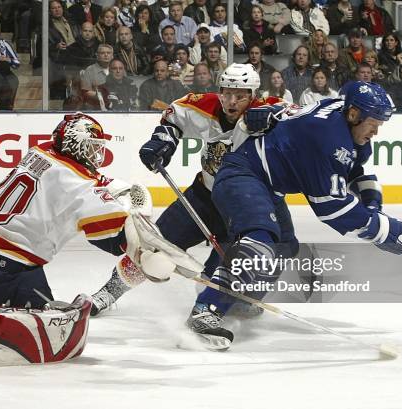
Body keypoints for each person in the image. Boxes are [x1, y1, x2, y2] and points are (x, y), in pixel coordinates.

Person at [0, 113, 175, 369]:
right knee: (60, 335)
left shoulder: (41, 152)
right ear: (79, 145)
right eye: (94, 147)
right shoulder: (79, 187)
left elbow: (88, 181)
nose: (97, 154)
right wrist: (145, 251)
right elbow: (111, 239)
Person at [186, 81, 402, 349]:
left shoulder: (341, 116)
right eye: (373, 123)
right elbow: (332, 209)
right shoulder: (325, 138)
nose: (375, 132)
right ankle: (206, 310)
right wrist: (381, 229)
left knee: (285, 247)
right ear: (354, 115)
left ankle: (241, 300)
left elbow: (352, 173)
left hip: (267, 185)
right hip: (242, 176)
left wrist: (373, 207)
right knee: (259, 243)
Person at [89, 63, 290, 317]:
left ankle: (226, 304)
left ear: (252, 94)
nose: (231, 101)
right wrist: (163, 140)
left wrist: (273, 113)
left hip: (247, 207)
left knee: (245, 263)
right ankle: (109, 291)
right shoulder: (205, 105)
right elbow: (174, 114)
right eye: (226, 93)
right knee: (155, 247)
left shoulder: (268, 108)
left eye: (240, 96)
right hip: (203, 198)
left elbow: (302, 115)